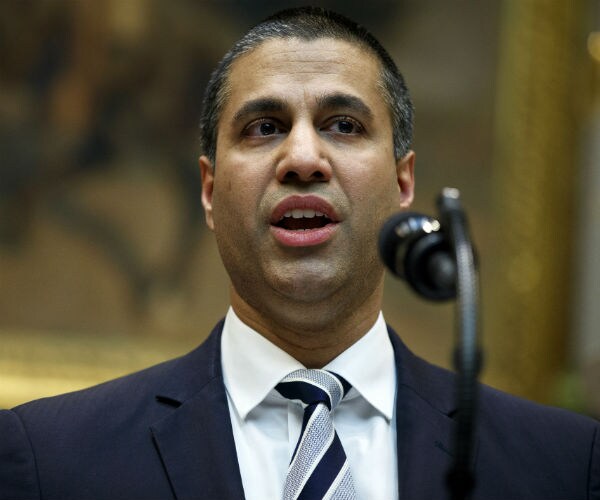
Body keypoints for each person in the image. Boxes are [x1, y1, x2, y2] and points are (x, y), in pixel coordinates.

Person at [1, 6, 598, 500]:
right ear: (208, 191)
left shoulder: (566, 467)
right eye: (264, 127)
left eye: (343, 124)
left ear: (403, 183)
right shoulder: (50, 460)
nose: (304, 158)